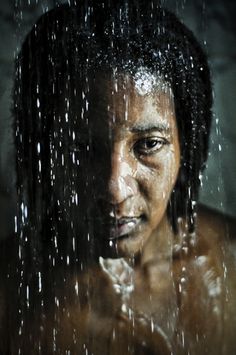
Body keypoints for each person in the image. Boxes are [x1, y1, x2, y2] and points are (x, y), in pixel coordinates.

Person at [0, 1, 235, 354]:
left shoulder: (230, 262)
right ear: (44, 149)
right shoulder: (9, 294)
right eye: (81, 149)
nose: (114, 189)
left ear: (188, 142)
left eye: (148, 145)